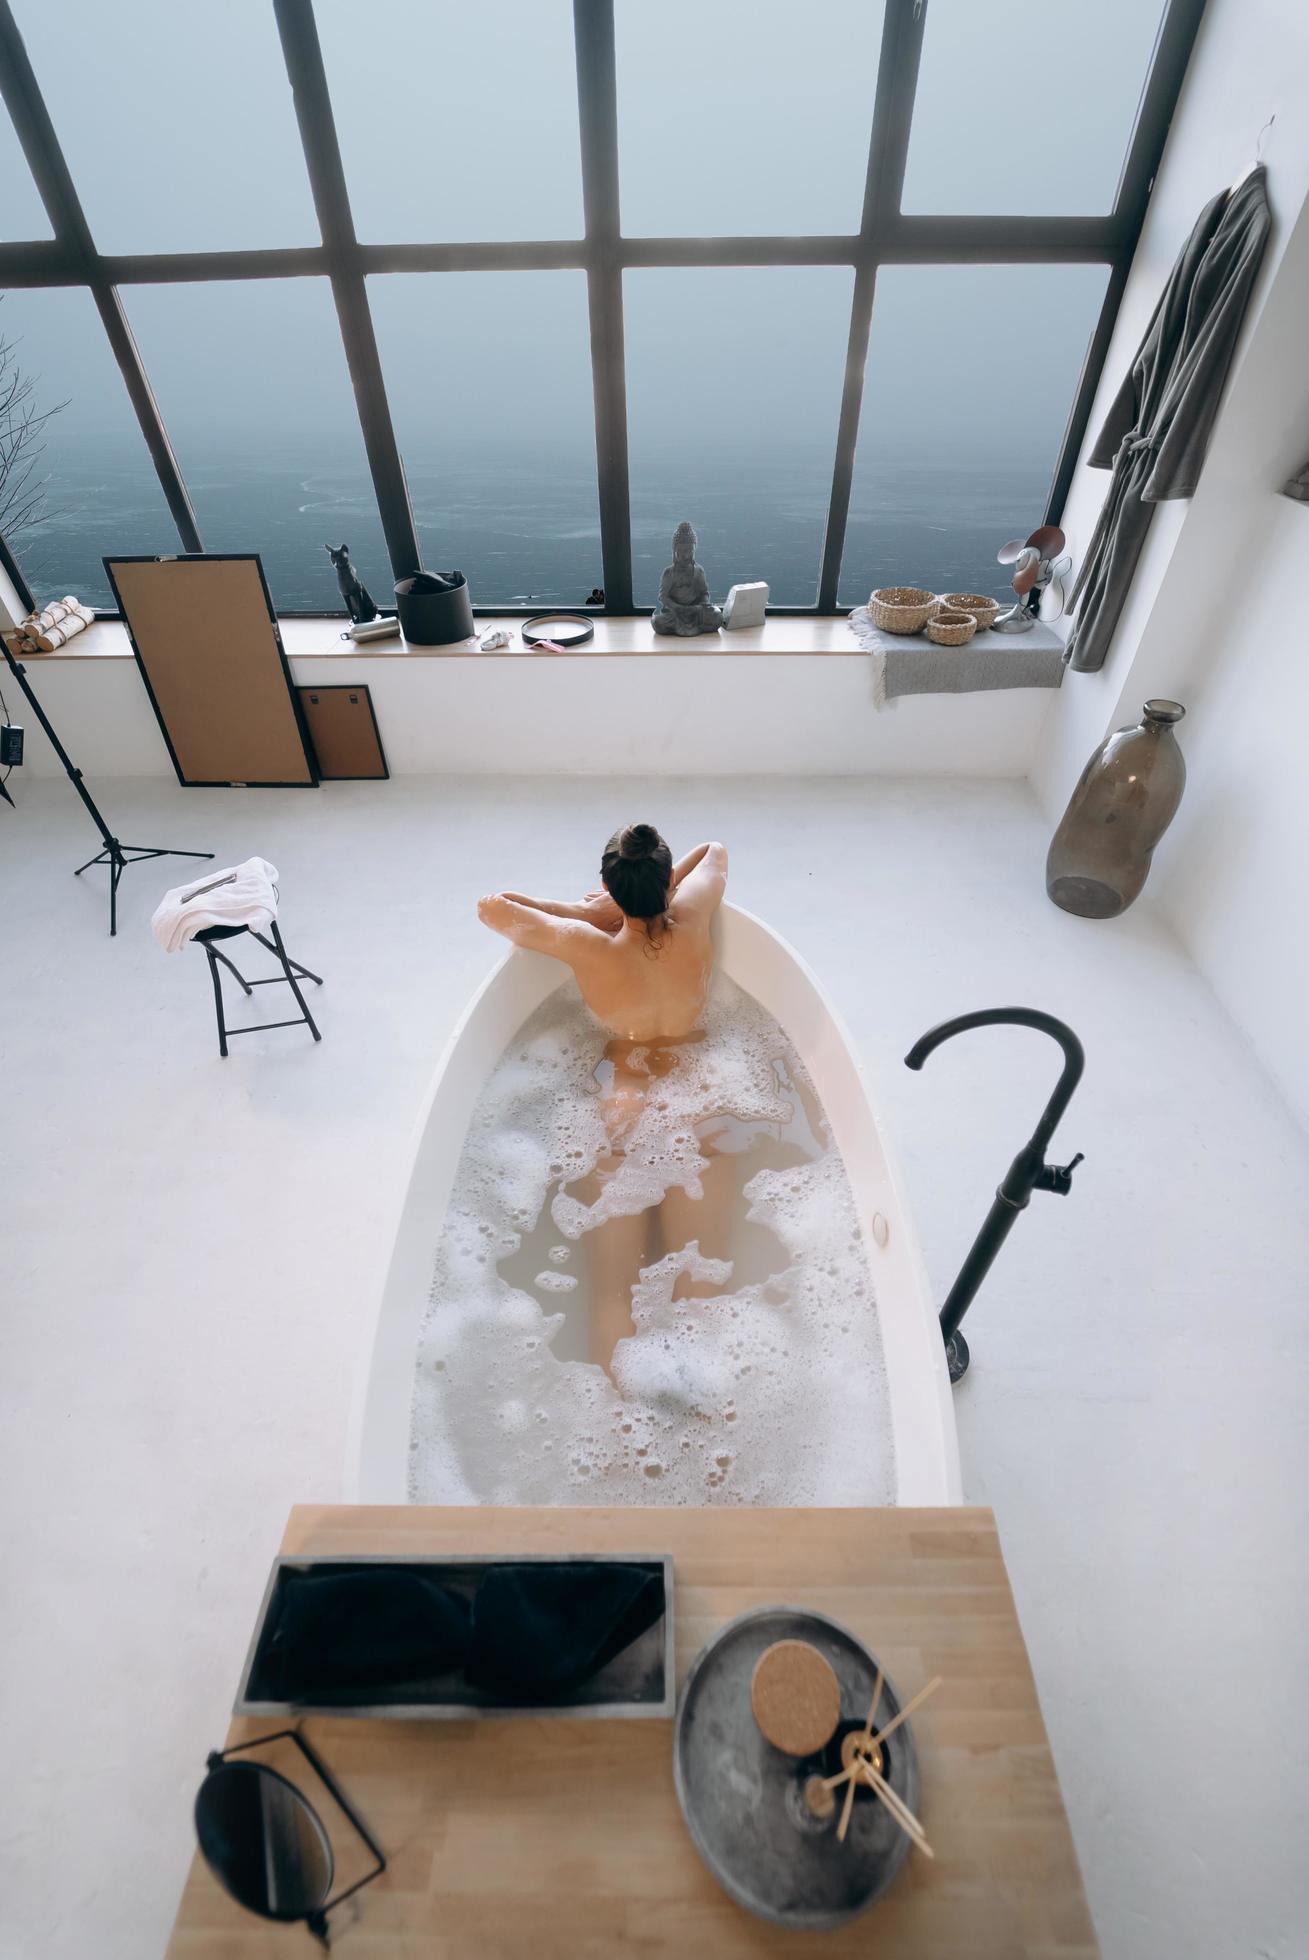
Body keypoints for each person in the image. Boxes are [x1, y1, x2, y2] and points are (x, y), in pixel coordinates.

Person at [478, 826, 731, 1372]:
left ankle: (621, 1438)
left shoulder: (586, 944)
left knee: (615, 1296)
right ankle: (711, 1420)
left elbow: (492, 909)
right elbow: (714, 850)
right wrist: (658, 891)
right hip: (695, 1097)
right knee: (699, 1289)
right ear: (667, 881)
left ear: (608, 886)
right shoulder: (693, 917)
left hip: (625, 1100)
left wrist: (586, 911)